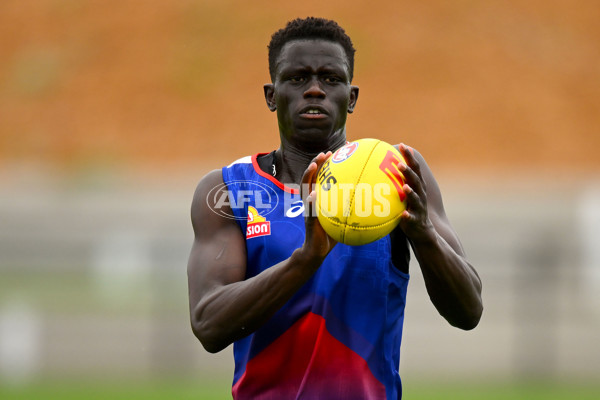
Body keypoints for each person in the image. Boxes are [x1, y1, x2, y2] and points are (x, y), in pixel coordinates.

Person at [187, 17, 482, 399]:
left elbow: (468, 312)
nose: (314, 90)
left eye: (330, 79)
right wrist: (305, 261)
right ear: (271, 95)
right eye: (296, 78)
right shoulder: (229, 189)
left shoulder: (396, 174)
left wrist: (423, 234)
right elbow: (209, 324)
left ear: (352, 96)